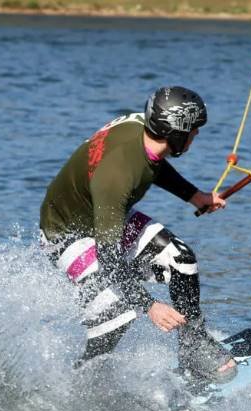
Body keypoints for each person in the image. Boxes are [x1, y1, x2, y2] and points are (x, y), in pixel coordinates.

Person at [39, 86, 237, 382]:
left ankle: (193, 348)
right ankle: (81, 385)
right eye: (193, 131)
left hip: (105, 216)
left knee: (180, 259)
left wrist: (195, 196)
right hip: (68, 233)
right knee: (116, 316)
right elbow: (109, 259)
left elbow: (153, 164)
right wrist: (150, 306)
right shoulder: (117, 175)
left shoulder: (142, 132)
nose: (196, 137)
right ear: (176, 132)